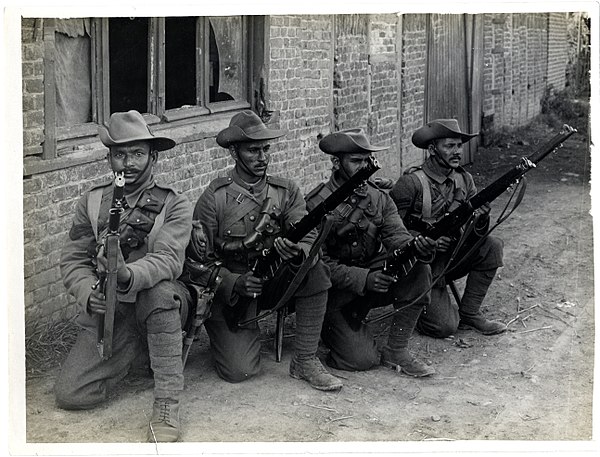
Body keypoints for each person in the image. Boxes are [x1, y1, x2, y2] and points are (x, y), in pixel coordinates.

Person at [56, 110, 192, 442]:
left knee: (157, 293)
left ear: (153, 156)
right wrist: (90, 292)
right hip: (112, 309)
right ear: (109, 158)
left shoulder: (174, 203)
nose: (128, 163)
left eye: (137, 153)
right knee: (71, 394)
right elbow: (73, 257)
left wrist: (127, 273)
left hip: (162, 303)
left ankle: (167, 402)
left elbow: (168, 261)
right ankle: (137, 350)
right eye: (120, 154)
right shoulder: (93, 201)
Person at [192, 109, 342, 391]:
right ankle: (232, 335)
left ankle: (305, 360)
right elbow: (197, 263)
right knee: (240, 372)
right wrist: (234, 282)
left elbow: (307, 232)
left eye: (266, 149)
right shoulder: (214, 198)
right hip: (233, 295)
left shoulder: (285, 191)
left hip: (273, 280)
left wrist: (297, 252)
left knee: (315, 267)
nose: (262, 158)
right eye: (253, 150)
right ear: (234, 153)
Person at [305, 129, 437, 377]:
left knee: (418, 269)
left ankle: (397, 349)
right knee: (361, 360)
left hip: (371, 282)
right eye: (356, 161)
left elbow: (396, 236)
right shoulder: (316, 204)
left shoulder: (379, 198)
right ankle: (336, 331)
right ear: (336, 162)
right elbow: (317, 264)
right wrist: (363, 278)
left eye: (367, 160)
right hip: (333, 294)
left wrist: (415, 247)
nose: (364, 166)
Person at [389, 119, 507, 338]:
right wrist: (423, 239)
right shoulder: (411, 183)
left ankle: (469, 313)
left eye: (459, 146)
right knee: (443, 328)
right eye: (449, 146)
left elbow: (473, 231)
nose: (457, 152)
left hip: (450, 258)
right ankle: (417, 308)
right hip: (420, 266)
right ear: (432, 150)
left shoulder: (464, 179)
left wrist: (480, 218)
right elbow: (391, 231)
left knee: (492, 246)